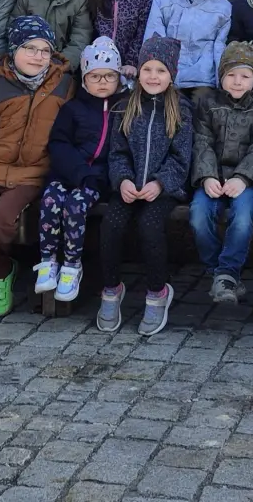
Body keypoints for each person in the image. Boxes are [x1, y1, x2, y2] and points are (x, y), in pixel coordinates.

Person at [0, 15, 74, 316]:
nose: (38, 56)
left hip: (31, 172)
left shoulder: (64, 85)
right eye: (30, 48)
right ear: (14, 51)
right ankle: (3, 269)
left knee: (2, 220)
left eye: (45, 50)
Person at [96, 36, 193, 336]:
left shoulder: (182, 109)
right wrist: (123, 178)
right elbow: (117, 151)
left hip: (161, 190)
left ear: (172, 74)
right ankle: (111, 289)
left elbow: (181, 157)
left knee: (150, 227)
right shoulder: (125, 106)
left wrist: (161, 183)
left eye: (161, 71)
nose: (153, 76)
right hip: (128, 186)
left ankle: (157, 292)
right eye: (147, 69)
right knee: (111, 226)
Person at [36, 36, 125, 302]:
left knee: (75, 206)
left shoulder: (124, 109)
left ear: (119, 78)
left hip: (98, 179)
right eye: (95, 77)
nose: (102, 83)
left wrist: (92, 179)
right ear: (84, 79)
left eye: (109, 76)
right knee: (51, 200)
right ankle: (47, 262)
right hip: (68, 172)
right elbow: (59, 143)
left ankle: (72, 266)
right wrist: (76, 172)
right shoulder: (73, 108)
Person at [190, 42, 253, 303]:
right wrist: (207, 177)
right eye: (231, 75)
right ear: (221, 76)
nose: (237, 82)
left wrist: (242, 178)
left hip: (248, 181)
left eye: (245, 76)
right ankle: (219, 271)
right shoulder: (207, 103)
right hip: (213, 177)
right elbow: (202, 142)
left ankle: (226, 274)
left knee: (241, 218)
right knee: (198, 216)